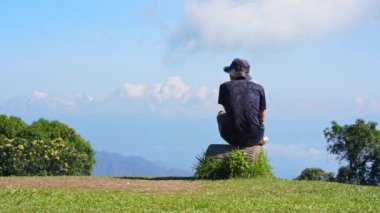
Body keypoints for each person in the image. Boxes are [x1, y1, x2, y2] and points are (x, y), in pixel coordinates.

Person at [217, 58, 268, 146]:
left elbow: (229, 111)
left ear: (231, 74)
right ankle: (256, 140)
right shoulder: (259, 88)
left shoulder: (224, 87)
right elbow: (262, 117)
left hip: (232, 137)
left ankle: (238, 139)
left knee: (221, 114)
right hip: (256, 136)